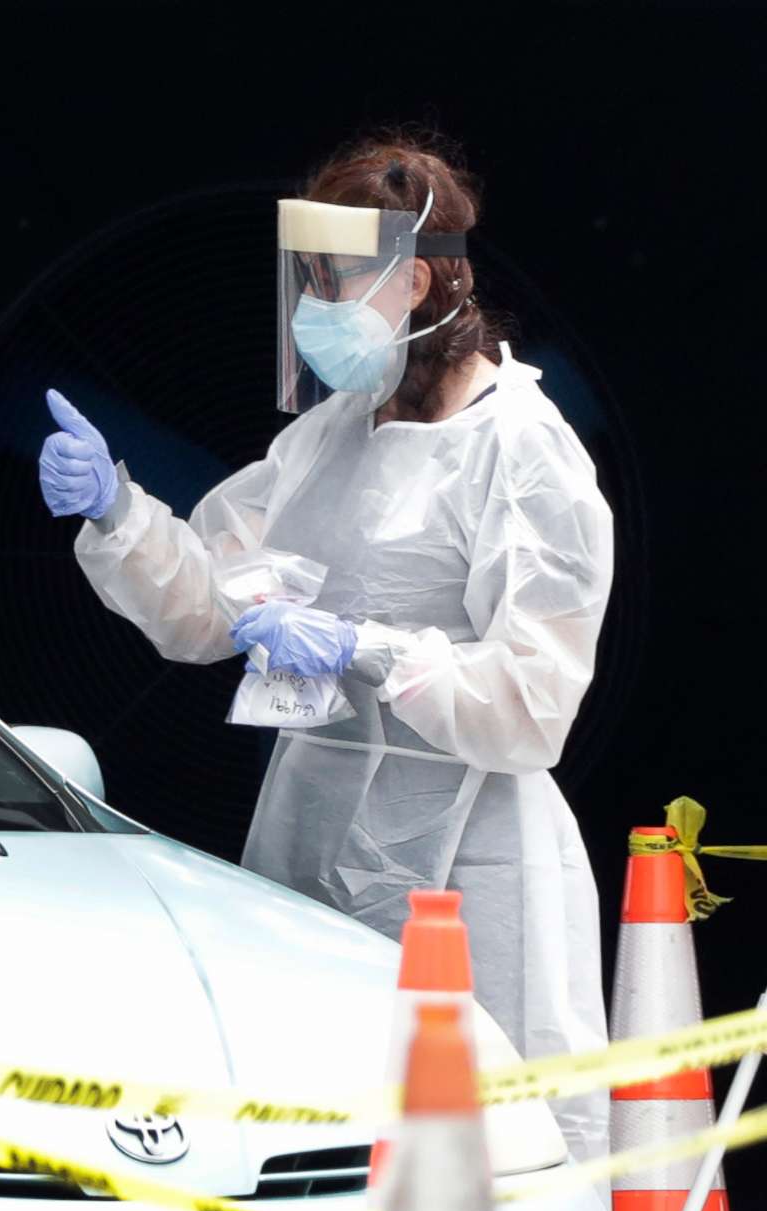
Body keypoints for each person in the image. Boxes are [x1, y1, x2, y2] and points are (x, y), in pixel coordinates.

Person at [36, 135, 614, 1159]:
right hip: (313, 848)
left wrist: (366, 646)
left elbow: (534, 702)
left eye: (337, 275)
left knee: (484, 1166)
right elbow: (209, 605)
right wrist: (121, 511)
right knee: (312, 1155)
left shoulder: (521, 452)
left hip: (473, 872)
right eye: (307, 275)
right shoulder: (331, 435)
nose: (314, 303)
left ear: (424, 273)